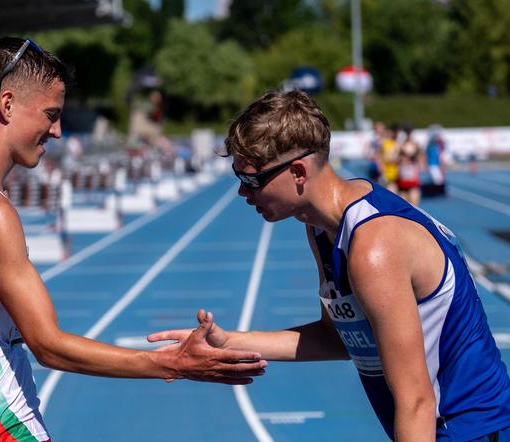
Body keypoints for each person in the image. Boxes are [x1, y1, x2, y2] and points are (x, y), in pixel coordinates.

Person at [0, 37, 266, 442]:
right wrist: (173, 364)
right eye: (51, 114)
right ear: (6, 105)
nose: (58, 131)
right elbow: (48, 345)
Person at [149, 90, 510, 441]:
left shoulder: (374, 249)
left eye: (252, 180)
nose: (243, 193)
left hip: (466, 430)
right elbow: (340, 338)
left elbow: (416, 401)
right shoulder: (323, 228)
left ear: (299, 172)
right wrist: (228, 341)